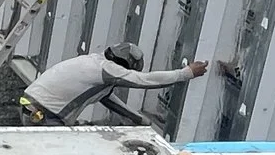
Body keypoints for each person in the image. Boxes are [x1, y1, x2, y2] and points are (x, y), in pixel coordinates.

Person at [18, 42, 208, 127]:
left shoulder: (94, 62)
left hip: (30, 105)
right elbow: (144, 80)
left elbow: (108, 100)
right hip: (46, 114)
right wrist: (186, 73)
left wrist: (140, 120)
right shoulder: (106, 69)